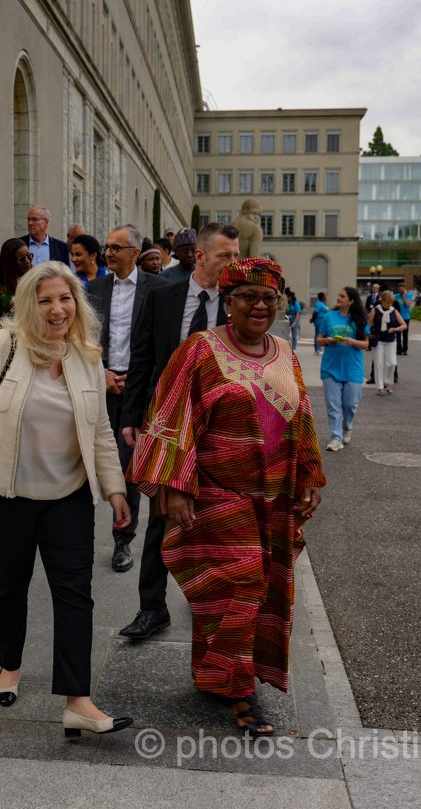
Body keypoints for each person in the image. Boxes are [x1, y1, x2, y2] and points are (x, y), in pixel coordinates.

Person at [128, 258, 325, 735]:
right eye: (248, 297)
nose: (259, 305)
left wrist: (308, 477)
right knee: (243, 587)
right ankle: (242, 693)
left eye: (268, 298)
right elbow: (170, 414)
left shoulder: (284, 353)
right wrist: (176, 487)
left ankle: (213, 674)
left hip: (273, 496)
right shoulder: (200, 350)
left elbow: (300, 416)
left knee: (229, 589)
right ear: (229, 302)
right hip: (218, 492)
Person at [0, 261, 135, 740]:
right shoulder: (1, 346)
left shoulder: (86, 355)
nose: (57, 309)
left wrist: (115, 487)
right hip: (6, 495)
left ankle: (78, 700)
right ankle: (9, 665)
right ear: (28, 304)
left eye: (66, 298)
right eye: (45, 299)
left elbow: (99, 431)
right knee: (10, 585)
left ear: (78, 303)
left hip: (67, 497)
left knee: (76, 595)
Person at [117, 222, 241, 639]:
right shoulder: (162, 297)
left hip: (218, 432)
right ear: (200, 255)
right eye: (225, 256)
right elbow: (142, 359)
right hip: (166, 426)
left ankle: (210, 605)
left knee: (216, 520)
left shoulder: (238, 304)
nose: (232, 263)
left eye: (235, 255)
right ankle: (152, 608)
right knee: (159, 516)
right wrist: (131, 417)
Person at [87, 225, 169, 572]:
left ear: (135, 253)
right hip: (103, 385)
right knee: (100, 463)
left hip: (141, 390)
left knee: (130, 466)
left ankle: (123, 539)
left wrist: (138, 380)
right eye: (106, 247)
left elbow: (160, 346)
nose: (108, 253)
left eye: (115, 248)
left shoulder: (159, 290)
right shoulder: (95, 287)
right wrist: (101, 371)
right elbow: (85, 337)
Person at [317, 287, 369, 451]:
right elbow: (319, 340)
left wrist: (352, 341)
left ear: (351, 301)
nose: (338, 298)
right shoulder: (328, 316)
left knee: (350, 405)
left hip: (353, 369)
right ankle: (336, 438)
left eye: (342, 296)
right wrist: (327, 340)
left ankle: (347, 427)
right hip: (330, 368)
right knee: (333, 405)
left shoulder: (359, 319)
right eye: (338, 295)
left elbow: (366, 344)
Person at [0, 239, 32, 332]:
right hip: (8, 335)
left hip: (32, 334)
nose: (27, 261)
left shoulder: (36, 281)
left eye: (29, 256)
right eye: (22, 259)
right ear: (10, 261)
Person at [370, 290, 406, 396]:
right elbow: (368, 325)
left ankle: (387, 383)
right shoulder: (375, 311)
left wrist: (396, 329)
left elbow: (404, 325)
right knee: (379, 363)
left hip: (391, 340)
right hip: (378, 340)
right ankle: (380, 387)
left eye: (391, 303)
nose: (390, 304)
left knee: (392, 363)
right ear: (382, 301)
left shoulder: (394, 311)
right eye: (387, 302)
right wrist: (367, 336)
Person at [394, 283, 413, 356]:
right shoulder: (396, 296)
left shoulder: (409, 295)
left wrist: (404, 296)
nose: (400, 289)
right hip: (397, 317)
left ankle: (405, 349)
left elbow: (407, 304)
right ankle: (399, 349)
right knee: (397, 334)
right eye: (399, 288)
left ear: (404, 288)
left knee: (405, 334)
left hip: (405, 317)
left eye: (402, 288)